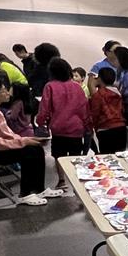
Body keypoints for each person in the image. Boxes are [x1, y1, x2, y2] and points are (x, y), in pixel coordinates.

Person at [0, 77, 63, 205]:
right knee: (27, 152)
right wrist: (23, 142)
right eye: (4, 90)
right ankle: (25, 194)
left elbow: (7, 134)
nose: (8, 93)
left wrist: (26, 139)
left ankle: (39, 189)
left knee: (36, 148)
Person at [36, 57, 90, 189]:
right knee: (75, 156)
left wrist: (40, 122)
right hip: (76, 128)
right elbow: (84, 108)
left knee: (59, 156)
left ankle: (62, 181)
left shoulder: (50, 86)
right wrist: (88, 125)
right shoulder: (77, 87)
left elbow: (44, 108)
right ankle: (77, 183)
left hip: (58, 128)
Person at [89, 67, 127, 154]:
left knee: (106, 157)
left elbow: (95, 114)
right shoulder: (118, 93)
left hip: (105, 129)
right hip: (121, 128)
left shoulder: (98, 95)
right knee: (119, 156)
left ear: (100, 79)